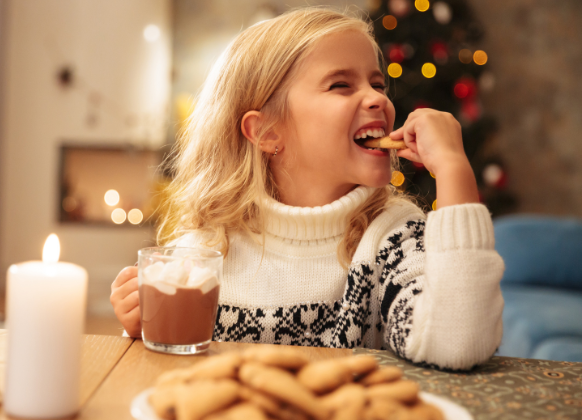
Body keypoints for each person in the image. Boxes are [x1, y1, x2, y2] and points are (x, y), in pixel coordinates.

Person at [110, 7, 504, 370]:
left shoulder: (391, 237)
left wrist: (453, 169)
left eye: (378, 83)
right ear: (266, 131)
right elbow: (180, 371)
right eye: (341, 85)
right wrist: (146, 324)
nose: (377, 99)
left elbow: (459, 342)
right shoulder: (205, 250)